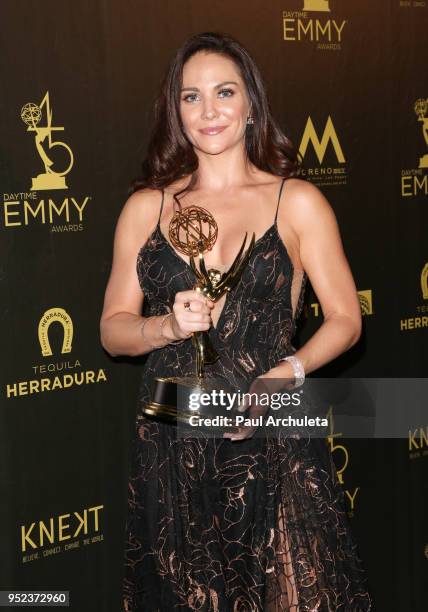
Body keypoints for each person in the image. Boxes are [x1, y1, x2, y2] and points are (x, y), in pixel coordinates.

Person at [100, 32, 372, 612]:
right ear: (175, 111)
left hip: (275, 438)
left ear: (251, 103)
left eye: (224, 92)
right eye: (190, 97)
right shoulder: (147, 207)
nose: (209, 111)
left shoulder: (295, 201)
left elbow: (347, 319)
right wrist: (164, 328)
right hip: (173, 444)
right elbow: (112, 329)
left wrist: (285, 375)